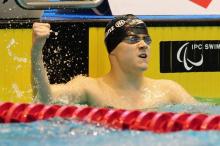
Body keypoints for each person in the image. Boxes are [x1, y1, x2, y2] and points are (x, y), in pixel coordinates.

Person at [31, 14, 197, 110]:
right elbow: (45, 100)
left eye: (146, 40)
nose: (143, 45)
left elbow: (206, 119)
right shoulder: (90, 88)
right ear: (113, 50)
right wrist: (37, 51)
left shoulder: (168, 90)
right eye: (132, 39)